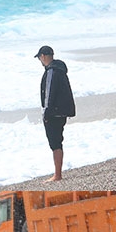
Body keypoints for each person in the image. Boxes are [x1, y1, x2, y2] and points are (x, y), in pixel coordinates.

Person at [35, 45, 75, 182]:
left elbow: (49, 93)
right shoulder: (60, 69)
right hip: (62, 111)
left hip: (54, 113)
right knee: (57, 142)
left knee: (55, 143)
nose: (40, 61)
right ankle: (57, 173)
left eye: (40, 58)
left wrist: (46, 113)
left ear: (43, 56)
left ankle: (57, 175)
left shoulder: (52, 71)